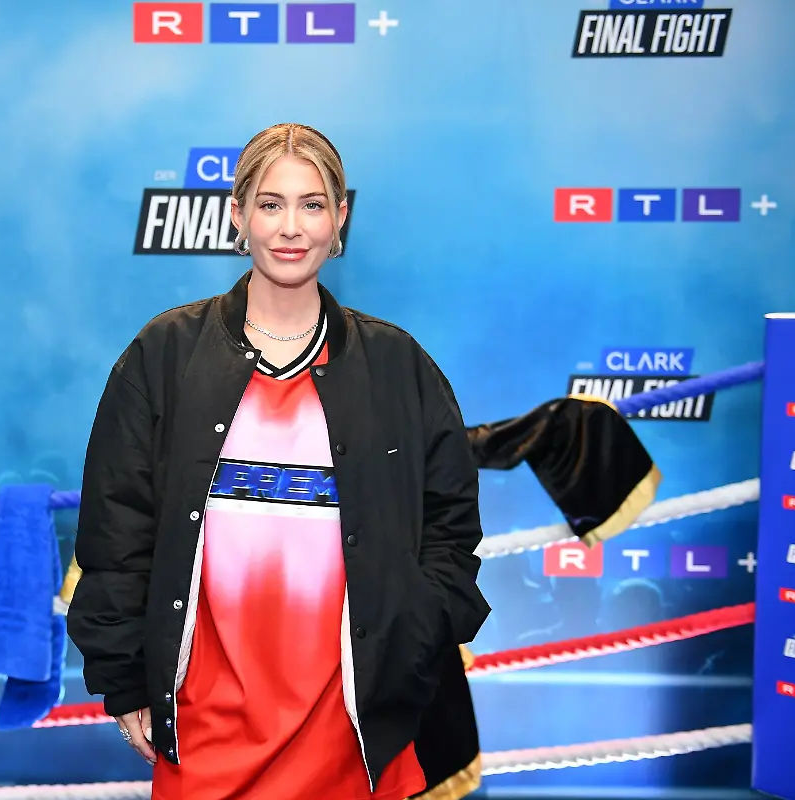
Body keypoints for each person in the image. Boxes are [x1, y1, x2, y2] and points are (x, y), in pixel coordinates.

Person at [66, 123, 491, 799]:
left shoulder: (396, 365)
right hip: (205, 729)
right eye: (270, 204)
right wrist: (124, 678)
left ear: (340, 217)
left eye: (311, 204)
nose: (291, 227)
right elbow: (117, 530)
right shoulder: (166, 354)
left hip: (355, 735)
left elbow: (451, 527)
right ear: (238, 215)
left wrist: (412, 643)